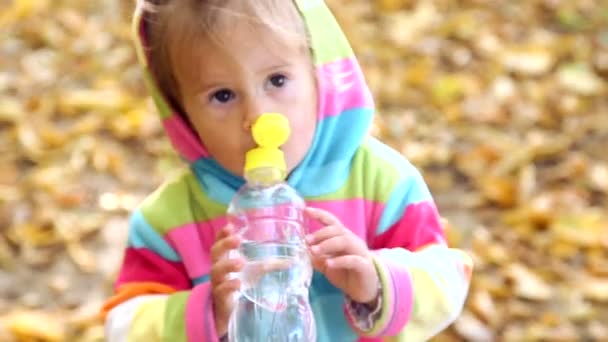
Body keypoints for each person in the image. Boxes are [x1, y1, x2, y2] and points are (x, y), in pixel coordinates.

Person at [101, 0, 473, 341]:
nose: (257, 117)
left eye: (277, 80)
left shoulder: (383, 183)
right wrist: (204, 313)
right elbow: (122, 327)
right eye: (223, 96)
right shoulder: (166, 222)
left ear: (318, 75)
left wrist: (376, 281)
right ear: (181, 113)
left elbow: (449, 282)